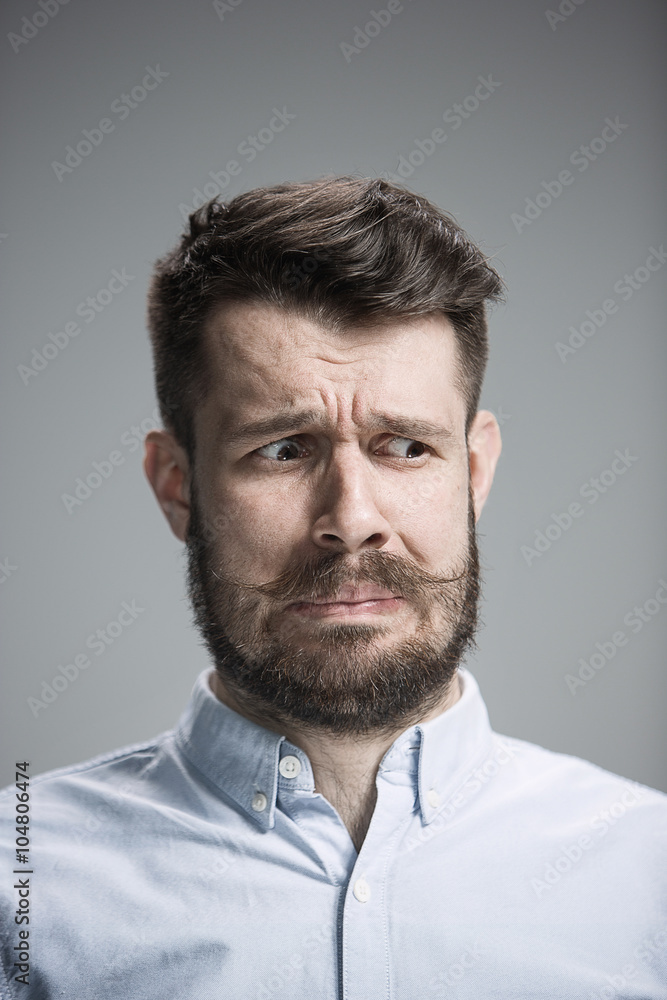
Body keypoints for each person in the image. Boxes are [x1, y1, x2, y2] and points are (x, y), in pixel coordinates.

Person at [1, 176, 665, 999]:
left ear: (474, 471)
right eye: (281, 449)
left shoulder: (648, 878)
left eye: (406, 447)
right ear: (177, 486)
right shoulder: (22, 890)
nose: (351, 521)